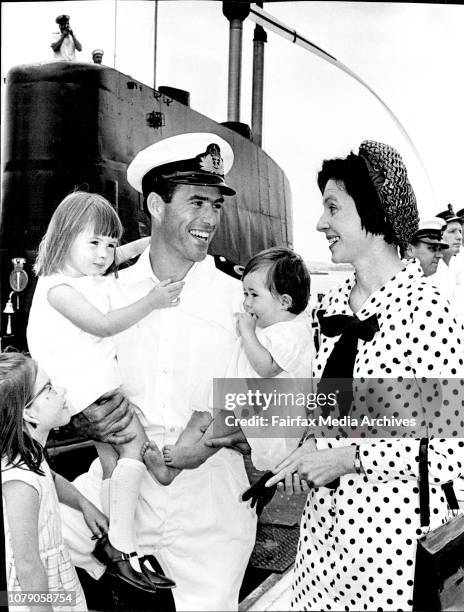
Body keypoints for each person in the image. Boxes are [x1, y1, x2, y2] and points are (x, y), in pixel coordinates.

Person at [57, 133, 257, 611]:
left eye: (216, 205)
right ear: (156, 204)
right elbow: (58, 390)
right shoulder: (106, 295)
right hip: (122, 490)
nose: (210, 218)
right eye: (196, 202)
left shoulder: (241, 300)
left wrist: (231, 431)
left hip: (208, 508)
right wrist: (81, 420)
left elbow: (275, 403)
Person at [262, 141, 464, 611]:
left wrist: (349, 458)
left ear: (372, 213)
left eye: (333, 207)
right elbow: (330, 415)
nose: (320, 222)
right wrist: (309, 450)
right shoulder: (331, 306)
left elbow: (451, 448)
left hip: (395, 551)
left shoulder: (428, 310)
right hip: (323, 548)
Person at [27, 192, 182, 592]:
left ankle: (118, 546)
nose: (104, 254)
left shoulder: (78, 273)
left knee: (114, 462)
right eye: (93, 243)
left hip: (86, 390)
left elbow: (117, 253)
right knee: (134, 452)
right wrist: (152, 301)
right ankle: (123, 550)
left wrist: (151, 241)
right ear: (64, 236)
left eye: (109, 244)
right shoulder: (58, 289)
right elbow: (102, 325)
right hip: (90, 392)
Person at [141, 245, 314, 479]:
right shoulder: (268, 325)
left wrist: (247, 333)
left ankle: (195, 456)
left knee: (219, 424)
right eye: (245, 294)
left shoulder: (293, 333)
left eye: (254, 295)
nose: (246, 303)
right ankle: (169, 470)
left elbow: (266, 368)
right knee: (200, 416)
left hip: (266, 406)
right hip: (238, 393)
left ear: (284, 301)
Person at [1, 353, 109, 612]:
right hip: (34, 595)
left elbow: (52, 478)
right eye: (48, 388)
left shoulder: (31, 454)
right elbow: (27, 563)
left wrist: (83, 503)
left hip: (55, 578)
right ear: (28, 413)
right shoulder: (20, 482)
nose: (61, 391)